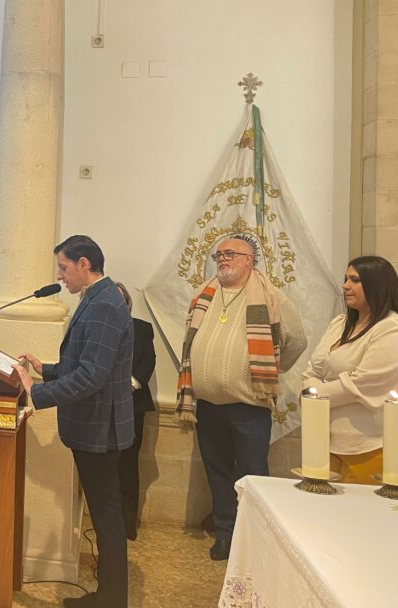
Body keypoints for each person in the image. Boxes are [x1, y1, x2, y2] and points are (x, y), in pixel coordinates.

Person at [15, 236, 134, 608]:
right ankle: (109, 596)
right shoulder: (97, 299)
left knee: (107, 518)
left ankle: (112, 600)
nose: (61, 277)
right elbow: (85, 364)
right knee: (104, 515)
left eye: (64, 268)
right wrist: (46, 370)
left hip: (100, 429)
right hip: (95, 426)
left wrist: (36, 394)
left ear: (84, 264)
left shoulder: (104, 305)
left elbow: (92, 377)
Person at [173, 234, 307, 562]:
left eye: (231, 254)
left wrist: (268, 371)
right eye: (219, 254)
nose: (223, 259)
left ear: (250, 259)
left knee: (252, 475)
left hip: (250, 407)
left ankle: (256, 539)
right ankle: (225, 535)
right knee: (217, 474)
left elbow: (296, 342)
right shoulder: (203, 296)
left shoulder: (271, 297)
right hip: (208, 406)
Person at [301, 256, 398, 484]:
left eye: (355, 280)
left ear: (377, 285)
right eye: (346, 279)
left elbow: (360, 385)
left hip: (379, 445)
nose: (345, 285)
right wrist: (312, 387)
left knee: (365, 517)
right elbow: (312, 369)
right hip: (332, 444)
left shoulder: (395, 330)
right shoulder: (339, 323)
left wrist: (313, 395)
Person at [114, 282, 155, 540]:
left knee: (128, 465)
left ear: (127, 302)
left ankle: (128, 525)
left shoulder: (141, 328)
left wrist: (124, 387)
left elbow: (147, 362)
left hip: (131, 404)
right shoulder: (95, 328)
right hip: (101, 408)